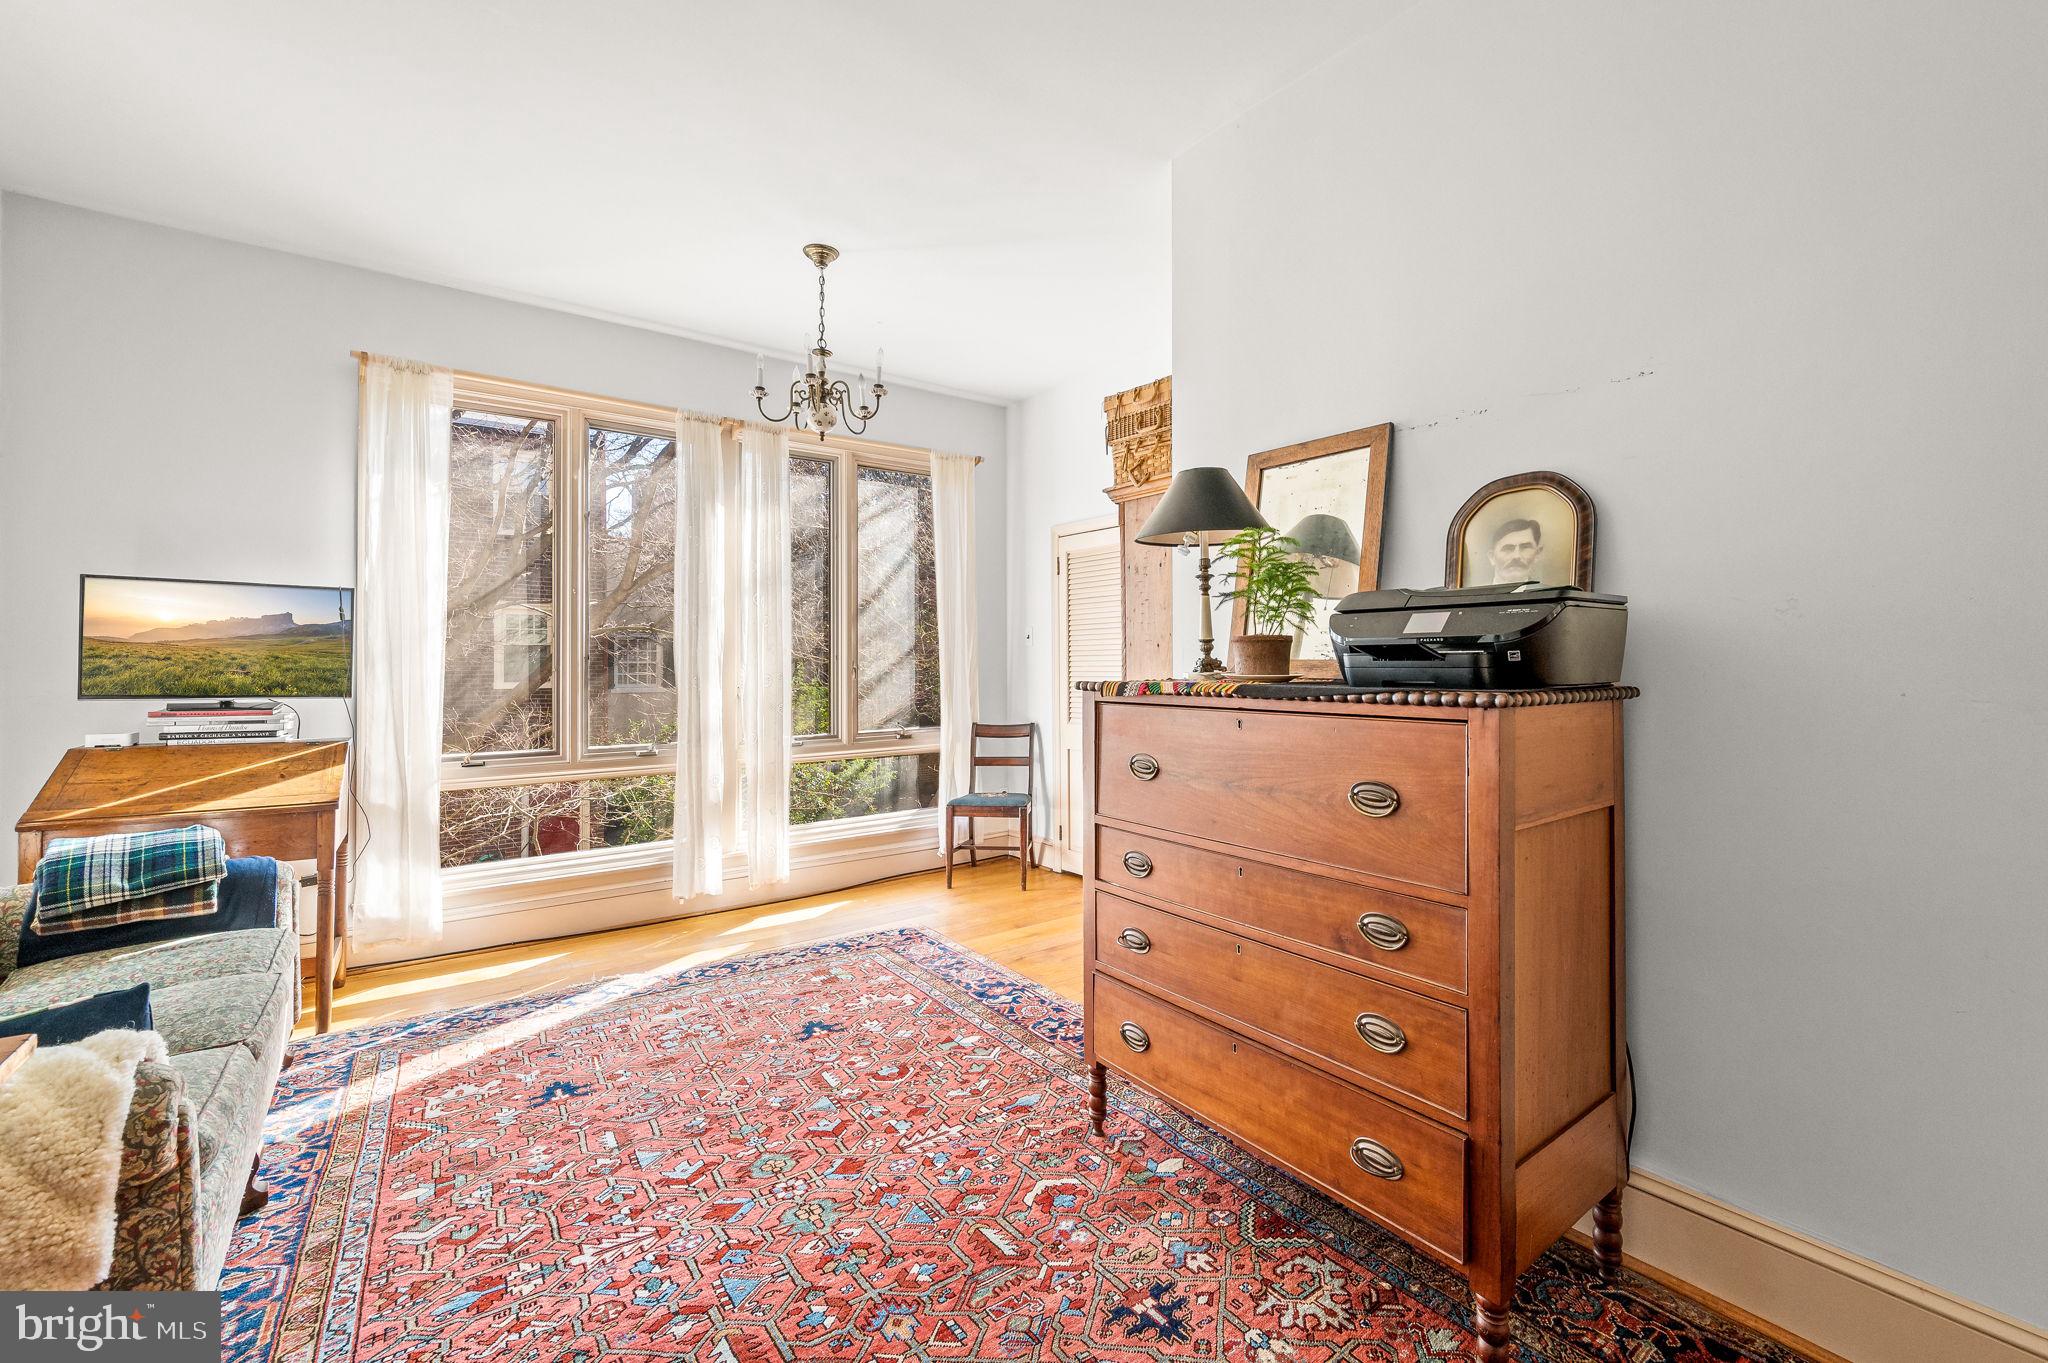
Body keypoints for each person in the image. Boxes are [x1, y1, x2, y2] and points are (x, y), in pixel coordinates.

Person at [1486, 517, 1545, 584]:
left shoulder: (1553, 593)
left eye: (1525, 547)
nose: (1516, 556)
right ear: (1492, 557)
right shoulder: (1475, 593)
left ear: (1537, 554)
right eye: (1508, 549)